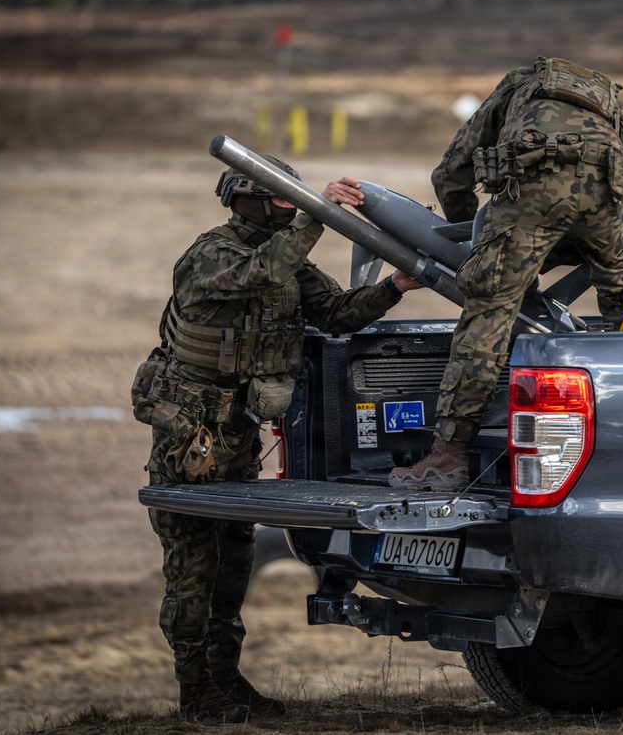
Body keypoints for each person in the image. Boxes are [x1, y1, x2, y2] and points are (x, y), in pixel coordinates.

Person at [132, 157, 422, 724]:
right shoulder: (211, 255)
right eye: (287, 197)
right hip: (193, 434)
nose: (296, 204)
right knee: (194, 562)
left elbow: (338, 314)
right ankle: (195, 688)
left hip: (237, 433)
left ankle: (224, 678)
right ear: (251, 199)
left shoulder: (289, 260)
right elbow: (262, 272)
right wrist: (319, 215)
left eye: (299, 197)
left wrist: (394, 287)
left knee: (233, 560)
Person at [388, 56, 623, 491]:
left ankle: (448, 458)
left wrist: (474, 245)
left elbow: (451, 172)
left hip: (532, 198)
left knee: (487, 315)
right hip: (605, 200)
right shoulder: (613, 104)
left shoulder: (519, 85)